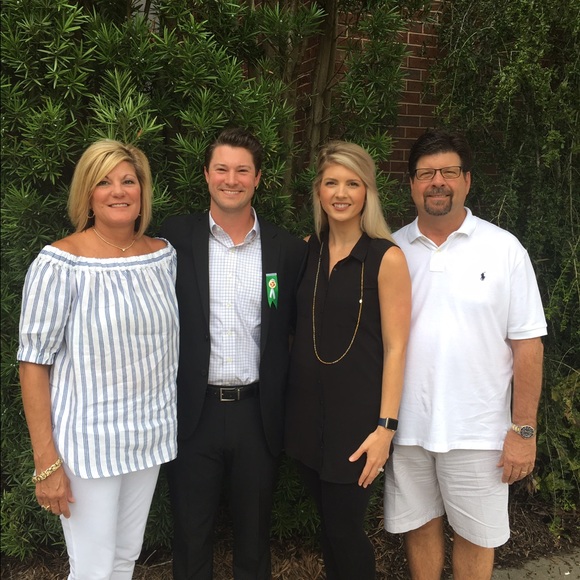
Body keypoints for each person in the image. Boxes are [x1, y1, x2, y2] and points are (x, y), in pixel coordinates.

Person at [384, 128, 547, 580]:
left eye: (449, 172)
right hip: (407, 428)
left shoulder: (504, 249)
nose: (438, 181)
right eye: (426, 173)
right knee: (419, 528)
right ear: (412, 184)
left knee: (476, 537)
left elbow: (528, 345)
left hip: (480, 433)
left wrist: (524, 430)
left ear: (467, 180)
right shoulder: (391, 251)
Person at [18, 139, 179, 579]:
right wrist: (46, 462)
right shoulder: (60, 263)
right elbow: (33, 364)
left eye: (128, 180)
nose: (118, 191)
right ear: (87, 194)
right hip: (88, 446)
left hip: (148, 437)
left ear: (143, 191)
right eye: (104, 182)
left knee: (125, 558)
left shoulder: (163, 257)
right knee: (92, 570)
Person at [159, 127, 307, 580]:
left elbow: (294, 328)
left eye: (242, 170)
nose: (231, 179)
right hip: (193, 414)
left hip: (256, 416)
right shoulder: (173, 239)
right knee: (190, 537)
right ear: (206, 174)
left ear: (258, 178)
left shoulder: (286, 250)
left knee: (254, 539)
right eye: (221, 169)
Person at [284, 141, 412, 580]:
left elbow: (396, 348)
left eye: (352, 184)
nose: (341, 193)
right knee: (329, 530)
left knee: (345, 532)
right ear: (318, 191)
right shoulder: (307, 251)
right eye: (331, 183)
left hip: (357, 428)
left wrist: (385, 429)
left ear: (367, 192)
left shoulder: (386, 258)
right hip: (306, 420)